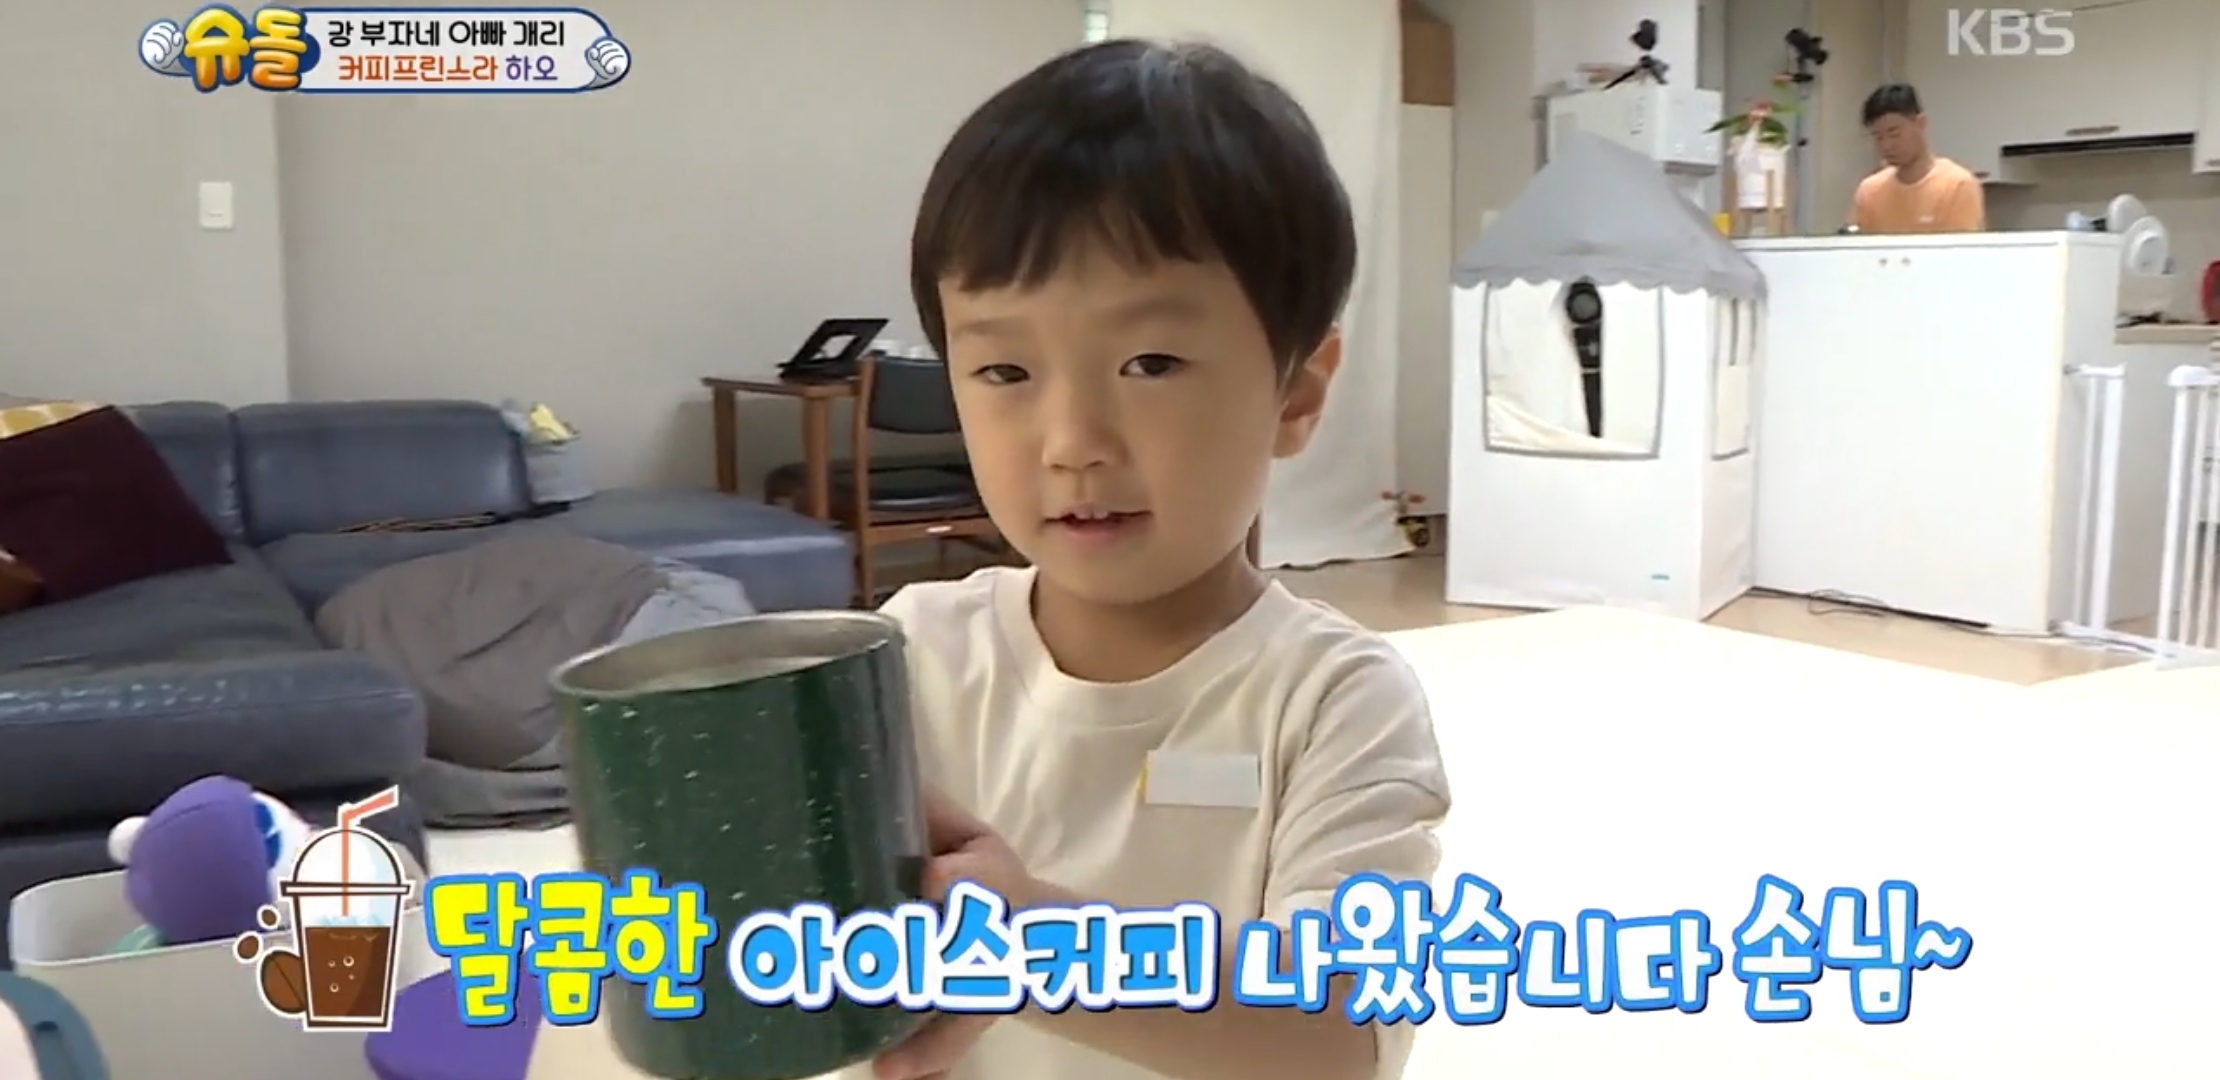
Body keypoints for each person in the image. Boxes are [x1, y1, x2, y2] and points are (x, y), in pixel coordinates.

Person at [868, 37, 1453, 1080]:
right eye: (1004, 370)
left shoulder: (1336, 702)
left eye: (1150, 362)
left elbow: (1343, 1033)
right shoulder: (907, 656)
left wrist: (1033, 947)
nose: (1071, 441)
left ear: (1297, 392)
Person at [1849, 83, 1986, 234]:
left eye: (1894, 134)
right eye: (1878, 137)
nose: (1886, 145)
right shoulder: (1869, 191)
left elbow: (1958, 247)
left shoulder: (1957, 185)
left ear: (1921, 123)